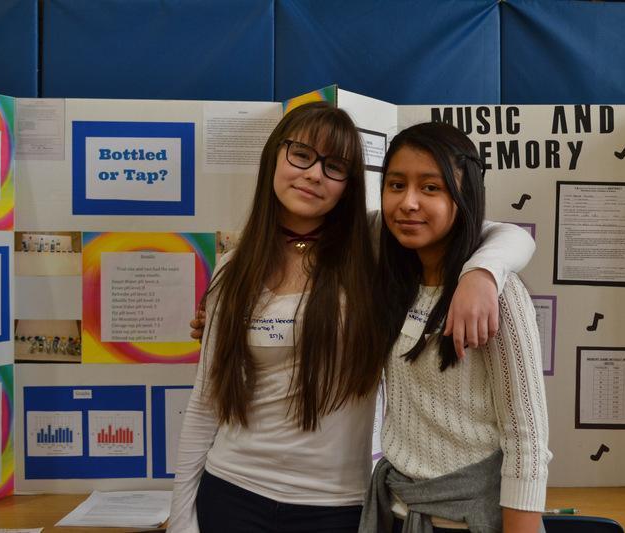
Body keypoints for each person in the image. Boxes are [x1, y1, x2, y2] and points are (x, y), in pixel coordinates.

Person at [170, 103, 536, 533]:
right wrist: (181, 519)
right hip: (232, 491)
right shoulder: (234, 268)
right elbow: (205, 402)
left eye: (334, 166)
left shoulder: (371, 246)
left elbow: (506, 233)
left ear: (350, 184)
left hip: (336, 505)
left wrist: (483, 273)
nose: (314, 174)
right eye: (301, 155)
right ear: (274, 156)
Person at [359, 122, 551, 533]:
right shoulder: (393, 276)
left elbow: (527, 440)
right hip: (398, 510)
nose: (408, 202)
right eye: (396, 185)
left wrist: (482, 273)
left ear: (464, 196)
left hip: (469, 521)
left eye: (431, 188)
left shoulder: (498, 294)